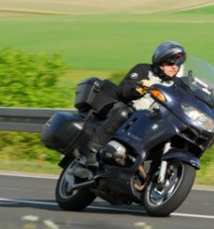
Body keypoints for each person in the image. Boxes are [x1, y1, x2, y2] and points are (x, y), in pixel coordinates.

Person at [74, 41, 187, 178]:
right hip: (132, 112)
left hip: (153, 122)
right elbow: (122, 91)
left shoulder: (177, 85)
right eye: (170, 64)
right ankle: (91, 151)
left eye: (178, 65)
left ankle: (151, 176)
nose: (174, 67)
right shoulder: (144, 70)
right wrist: (138, 90)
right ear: (159, 62)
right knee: (123, 112)